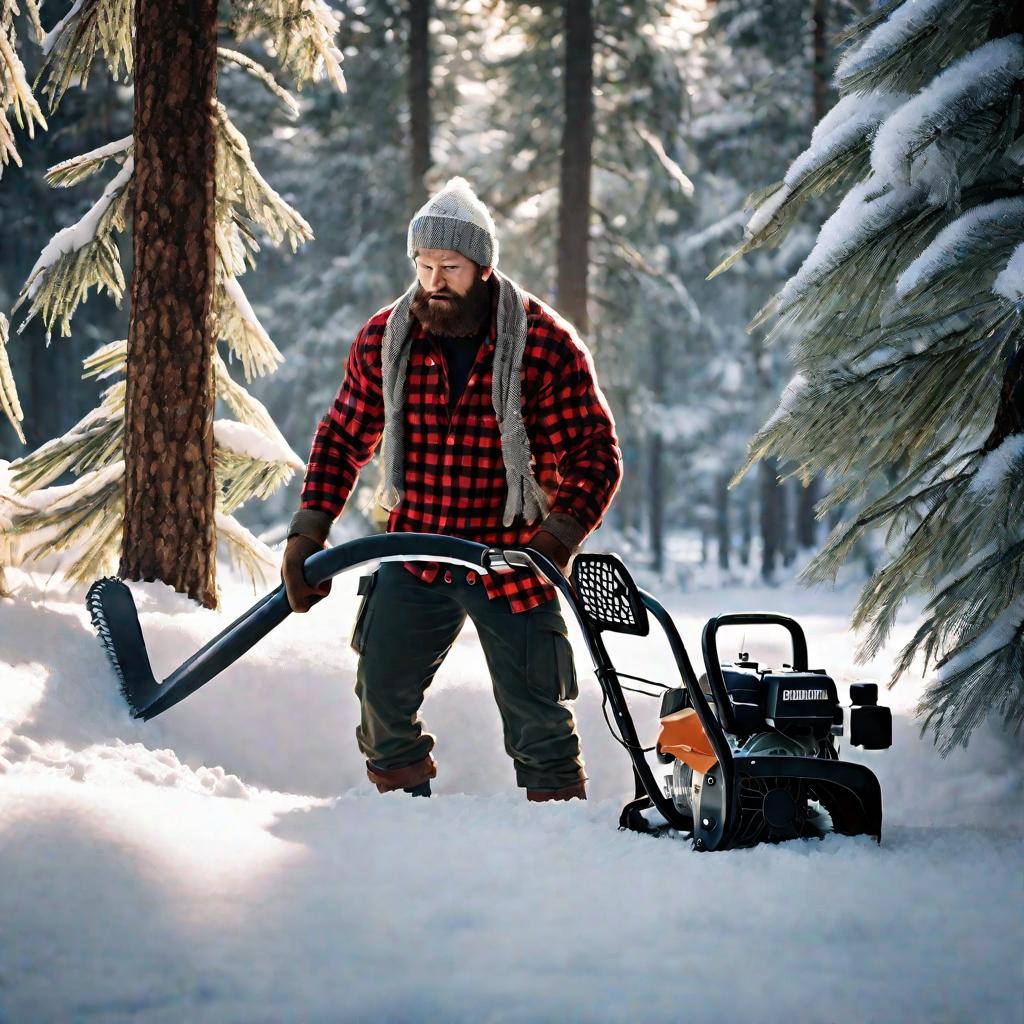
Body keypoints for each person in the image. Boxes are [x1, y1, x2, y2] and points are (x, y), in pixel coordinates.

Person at [282, 177, 622, 801]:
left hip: (513, 560)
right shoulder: (387, 339)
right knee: (380, 701)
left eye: (451, 266)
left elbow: (595, 453)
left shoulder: (544, 345)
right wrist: (309, 529)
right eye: (425, 264)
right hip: (415, 552)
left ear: (484, 268)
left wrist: (558, 536)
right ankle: (408, 827)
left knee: (539, 722)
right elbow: (341, 436)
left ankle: (560, 845)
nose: (435, 279)